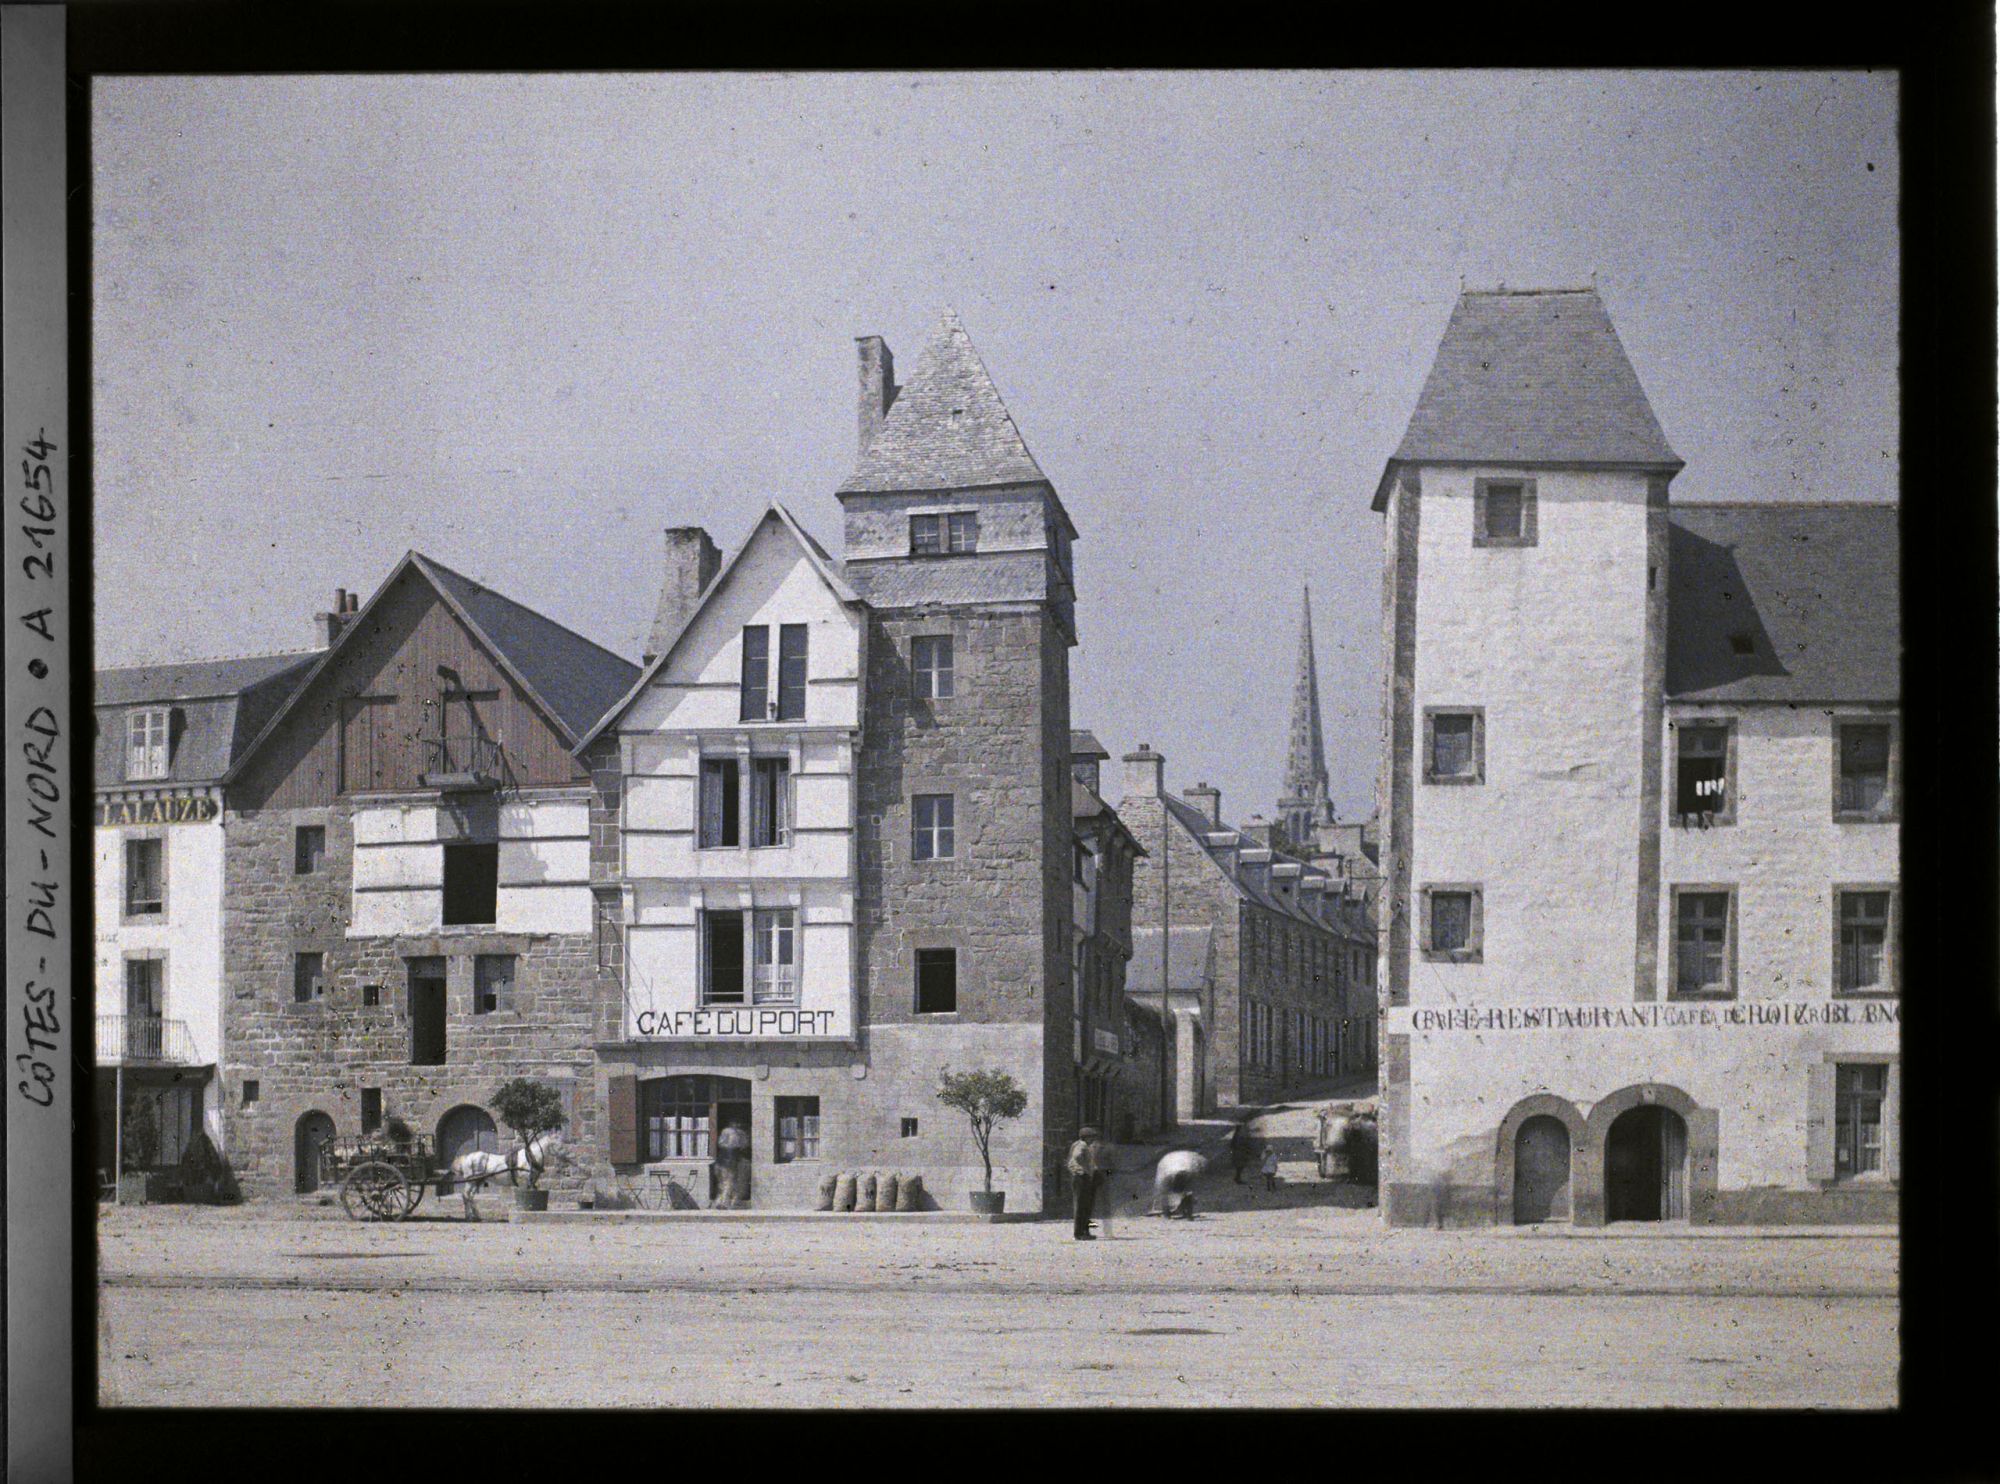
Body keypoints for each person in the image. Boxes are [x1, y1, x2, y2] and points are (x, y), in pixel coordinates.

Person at [1067, 1126, 1100, 1239]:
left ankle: (1084, 1232)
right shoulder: (1082, 1145)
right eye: (1091, 1137)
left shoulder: (1079, 1145)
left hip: (1082, 1176)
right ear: (1086, 1137)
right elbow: (1077, 1156)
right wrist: (1084, 1168)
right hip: (1081, 1177)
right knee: (1082, 1206)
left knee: (1085, 1205)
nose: (1093, 1140)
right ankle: (1080, 1233)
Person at [1230, 1120, 1255, 1184]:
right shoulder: (1240, 1135)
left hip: (1237, 1153)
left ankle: (1237, 1177)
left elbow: (1232, 1144)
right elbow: (1244, 1143)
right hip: (1240, 1153)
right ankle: (1237, 1178)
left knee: (1239, 1167)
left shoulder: (1236, 1135)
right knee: (1240, 1166)